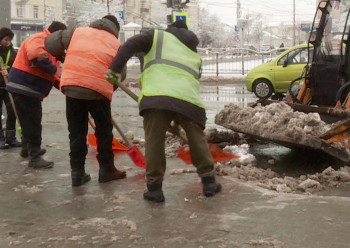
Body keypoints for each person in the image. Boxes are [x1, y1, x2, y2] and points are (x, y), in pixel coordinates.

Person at [106, 20, 221, 203]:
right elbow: (190, 77)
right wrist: (177, 117)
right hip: (189, 102)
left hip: (157, 97)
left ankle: (154, 189)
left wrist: (114, 69)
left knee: (155, 140)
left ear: (171, 29)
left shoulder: (156, 36)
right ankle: (209, 181)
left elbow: (130, 44)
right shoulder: (194, 53)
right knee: (196, 138)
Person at [45, 15, 126, 187]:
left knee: (76, 131)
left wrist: (61, 55)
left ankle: (77, 173)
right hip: (98, 90)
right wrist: (106, 90)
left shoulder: (77, 32)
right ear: (115, 29)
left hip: (72, 86)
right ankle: (106, 170)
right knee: (104, 131)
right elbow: (121, 75)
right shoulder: (116, 44)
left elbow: (49, 43)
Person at [6, 21, 66, 168]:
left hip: (29, 89)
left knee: (28, 121)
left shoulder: (51, 48)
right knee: (33, 122)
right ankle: (35, 157)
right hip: (24, 86)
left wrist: (66, 87)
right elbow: (38, 58)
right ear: (57, 35)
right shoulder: (39, 38)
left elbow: (54, 77)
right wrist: (55, 71)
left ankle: (27, 148)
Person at [0, 27, 20, 149]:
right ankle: (0, 139)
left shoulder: (12, 52)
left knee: (12, 110)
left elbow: (17, 66)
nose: (7, 42)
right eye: (5, 39)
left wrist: (9, 72)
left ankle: (11, 138)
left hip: (9, 85)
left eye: (9, 40)